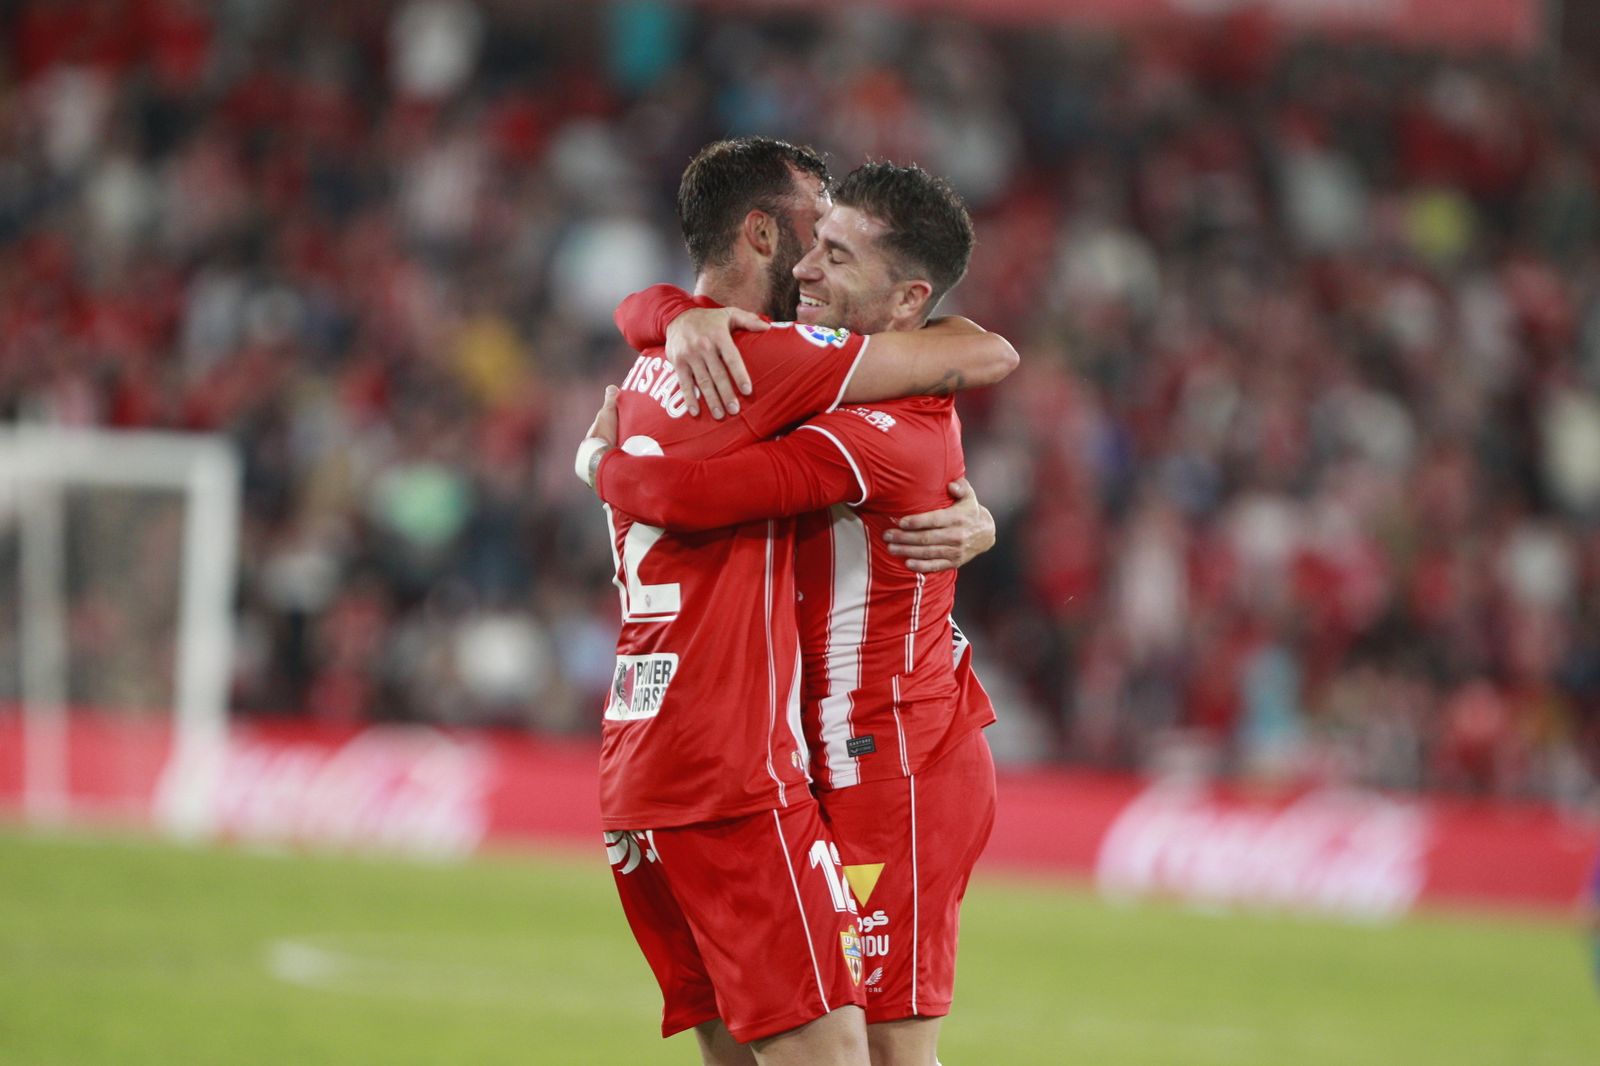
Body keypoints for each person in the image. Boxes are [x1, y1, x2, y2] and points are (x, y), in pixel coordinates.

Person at [579, 138, 1017, 1066]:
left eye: (836, 253)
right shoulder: (786, 368)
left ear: (906, 303)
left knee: (893, 1052)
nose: (810, 266)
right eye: (813, 243)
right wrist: (676, 318)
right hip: (794, 754)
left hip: (891, 753)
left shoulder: (861, 409)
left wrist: (602, 460)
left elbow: (989, 350)